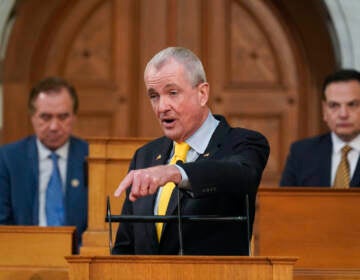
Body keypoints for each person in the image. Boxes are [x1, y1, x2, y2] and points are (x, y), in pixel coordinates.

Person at [111, 47, 269, 255]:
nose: (161, 107)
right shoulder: (145, 156)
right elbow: (125, 247)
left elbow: (240, 174)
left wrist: (176, 172)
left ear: (202, 94)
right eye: (154, 96)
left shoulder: (244, 143)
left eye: (172, 93)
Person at [0, 77, 88, 248]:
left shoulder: (92, 157)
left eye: (63, 117)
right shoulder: (8, 159)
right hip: (22, 257)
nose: (54, 126)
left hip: (78, 260)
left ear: (74, 117)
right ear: (32, 117)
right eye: (45, 117)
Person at [280, 69, 360, 187]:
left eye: (352, 104)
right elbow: (285, 202)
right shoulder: (302, 153)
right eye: (334, 105)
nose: (343, 114)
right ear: (324, 110)